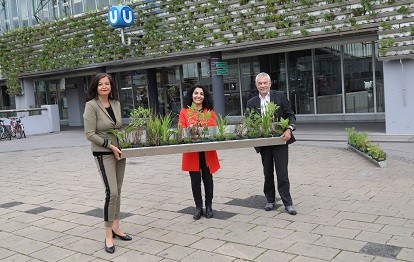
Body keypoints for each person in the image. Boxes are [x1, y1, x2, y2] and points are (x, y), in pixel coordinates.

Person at [83, 73, 132, 254]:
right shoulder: (91, 106)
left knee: (118, 191)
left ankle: (117, 227)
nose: (104, 87)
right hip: (104, 153)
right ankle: (108, 235)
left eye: (107, 84)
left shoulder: (116, 103)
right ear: (95, 87)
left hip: (120, 151)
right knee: (111, 192)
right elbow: (89, 134)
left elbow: (118, 127)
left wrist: (128, 139)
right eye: (101, 84)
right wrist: (110, 146)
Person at [246, 72, 297, 215]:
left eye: (265, 83)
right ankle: (270, 200)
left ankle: (288, 203)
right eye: (260, 83)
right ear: (256, 85)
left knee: (282, 173)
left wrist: (289, 129)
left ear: (270, 84)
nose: (262, 85)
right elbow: (249, 123)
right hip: (264, 143)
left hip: (280, 140)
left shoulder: (279, 96)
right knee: (267, 172)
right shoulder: (251, 103)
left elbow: (291, 115)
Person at [178, 85, 220, 220]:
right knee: (195, 180)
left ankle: (209, 206)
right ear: (191, 95)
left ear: (204, 97)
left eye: (201, 94)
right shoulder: (184, 111)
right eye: (196, 93)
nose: (198, 96)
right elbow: (181, 130)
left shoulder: (210, 111)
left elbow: (214, 129)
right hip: (191, 152)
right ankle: (198, 207)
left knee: (208, 179)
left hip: (207, 152)